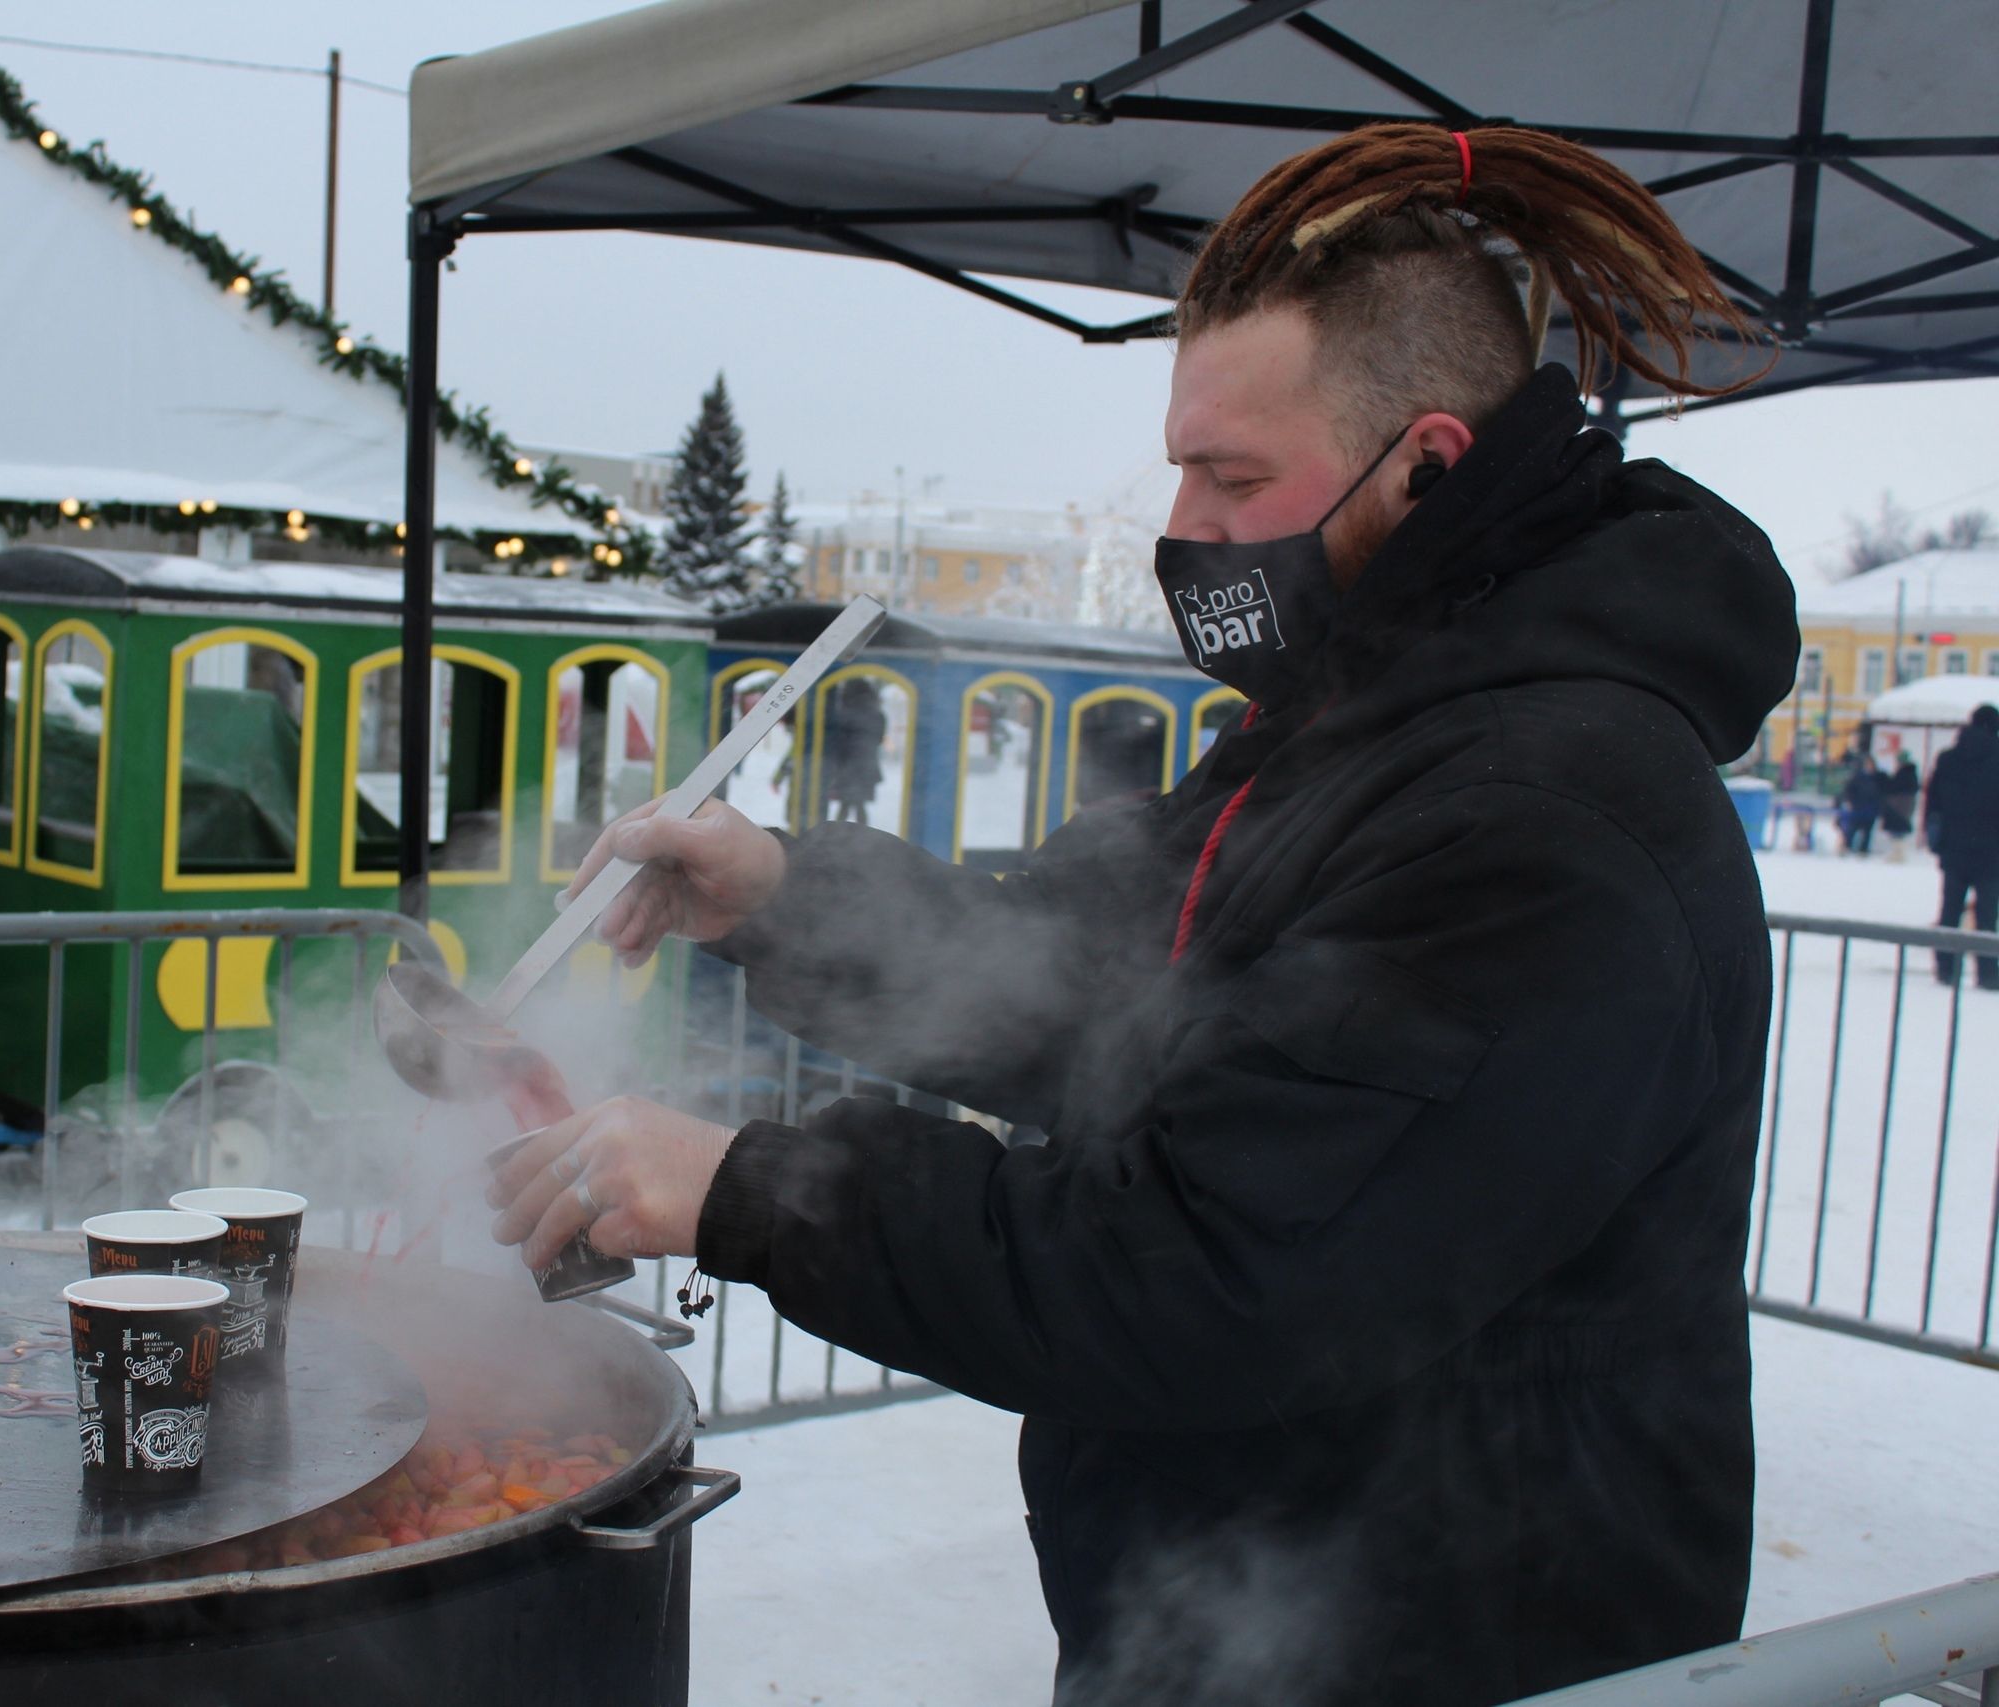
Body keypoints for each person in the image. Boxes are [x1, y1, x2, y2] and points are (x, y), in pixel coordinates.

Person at [489, 123, 1796, 1707]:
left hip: (1447, 1643)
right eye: (1181, 462)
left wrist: (751, 1187)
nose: (1187, 524)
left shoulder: (1543, 811)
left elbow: (1208, 1267)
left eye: (1233, 477)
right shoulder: (1358, 707)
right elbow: (1096, 977)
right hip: (1228, 1614)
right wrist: (776, 891)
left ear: (1432, 462)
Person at [1925, 704, 1999, 989]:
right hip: (1991, 853)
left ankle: (1945, 968)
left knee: (1949, 911)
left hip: (1954, 848)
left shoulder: (1948, 758)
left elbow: (1933, 804)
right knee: (1986, 916)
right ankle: (1988, 972)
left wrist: (1938, 841)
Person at [819, 676, 888, 824]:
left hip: (846, 766)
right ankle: (861, 837)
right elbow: (879, 739)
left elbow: (838, 742)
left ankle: (835, 835)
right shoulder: (878, 715)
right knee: (858, 804)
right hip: (867, 766)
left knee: (845, 804)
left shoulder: (843, 714)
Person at [1880, 743, 1922, 863]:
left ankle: (1899, 854)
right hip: (1902, 805)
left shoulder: (1906, 773)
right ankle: (1897, 853)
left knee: (1898, 829)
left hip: (1900, 806)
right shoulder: (1910, 772)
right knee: (1898, 830)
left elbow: (1896, 787)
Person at [1837, 750, 1883, 855]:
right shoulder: (1858, 777)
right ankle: (1847, 847)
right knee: (1852, 829)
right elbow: (1849, 790)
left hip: (1871, 809)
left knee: (1867, 831)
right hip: (1858, 807)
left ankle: (1863, 850)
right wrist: (1850, 801)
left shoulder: (1878, 777)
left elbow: (1880, 793)